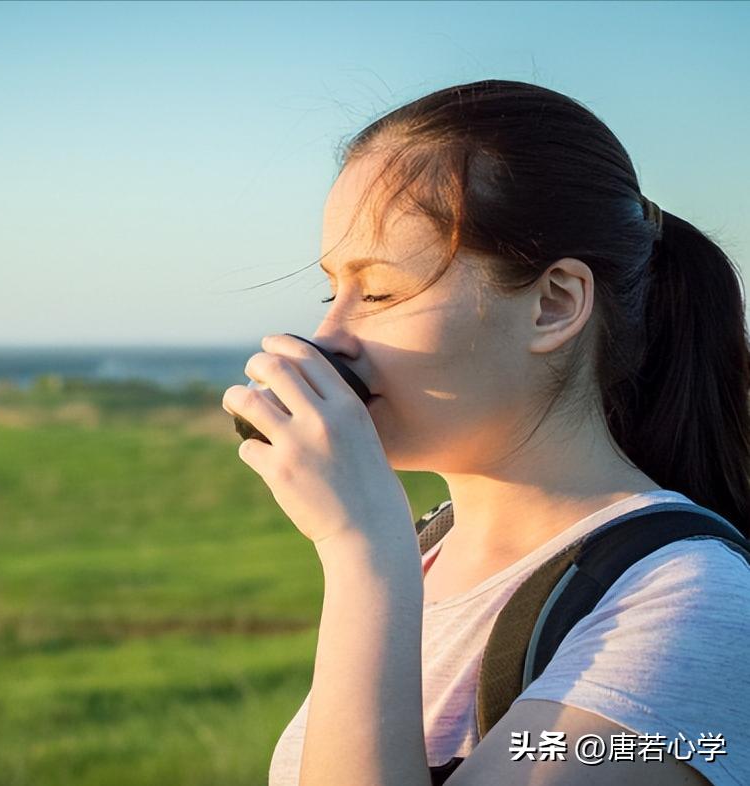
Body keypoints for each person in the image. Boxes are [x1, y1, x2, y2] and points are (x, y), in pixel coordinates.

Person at [221, 79, 750, 786]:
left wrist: (359, 555)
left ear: (554, 304)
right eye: (331, 292)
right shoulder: (425, 556)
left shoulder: (690, 602)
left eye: (376, 292)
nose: (327, 337)